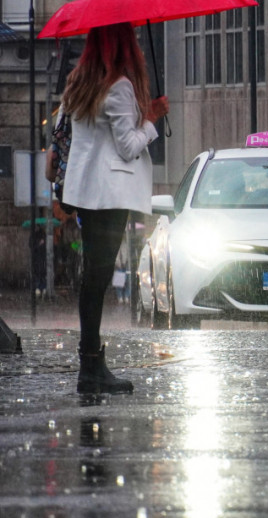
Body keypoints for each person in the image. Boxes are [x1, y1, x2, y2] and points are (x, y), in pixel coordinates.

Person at [60, 22, 169, 394]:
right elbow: (128, 146)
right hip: (111, 195)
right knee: (98, 276)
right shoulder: (119, 86)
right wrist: (151, 120)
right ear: (124, 43)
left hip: (88, 193)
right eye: (133, 38)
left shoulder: (81, 82)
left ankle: (90, 362)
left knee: (93, 276)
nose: (138, 43)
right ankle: (91, 367)